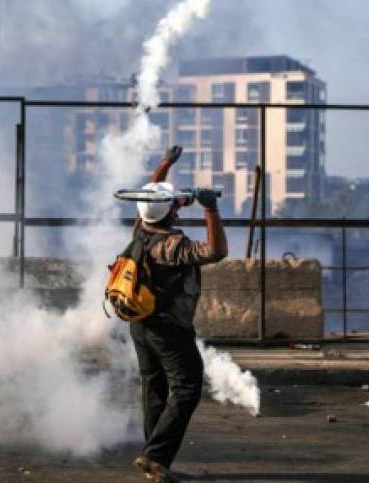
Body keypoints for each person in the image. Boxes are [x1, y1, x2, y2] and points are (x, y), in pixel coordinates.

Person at [129, 145, 228, 483]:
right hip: (168, 328)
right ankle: (155, 456)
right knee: (186, 387)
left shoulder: (141, 230)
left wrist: (164, 166)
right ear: (169, 212)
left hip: (139, 323)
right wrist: (210, 209)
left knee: (154, 387)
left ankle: (155, 461)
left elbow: (150, 200)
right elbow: (216, 251)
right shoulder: (173, 245)